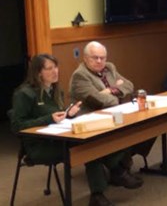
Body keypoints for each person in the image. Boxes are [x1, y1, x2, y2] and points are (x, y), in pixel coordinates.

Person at [11, 54, 142, 206]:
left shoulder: (54, 90)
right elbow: (17, 125)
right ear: (38, 73)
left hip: (59, 137)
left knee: (96, 143)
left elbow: (57, 117)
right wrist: (48, 119)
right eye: (49, 69)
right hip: (39, 146)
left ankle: (107, 183)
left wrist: (69, 114)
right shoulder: (24, 94)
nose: (55, 72)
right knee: (89, 149)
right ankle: (111, 179)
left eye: (56, 67)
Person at [70, 41, 154, 173]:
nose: (99, 61)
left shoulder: (109, 68)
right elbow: (101, 100)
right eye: (95, 57)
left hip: (113, 114)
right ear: (85, 58)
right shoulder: (80, 76)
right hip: (92, 119)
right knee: (126, 131)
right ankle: (119, 168)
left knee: (148, 124)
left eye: (102, 58)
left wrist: (109, 90)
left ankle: (122, 162)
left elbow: (129, 85)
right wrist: (116, 89)